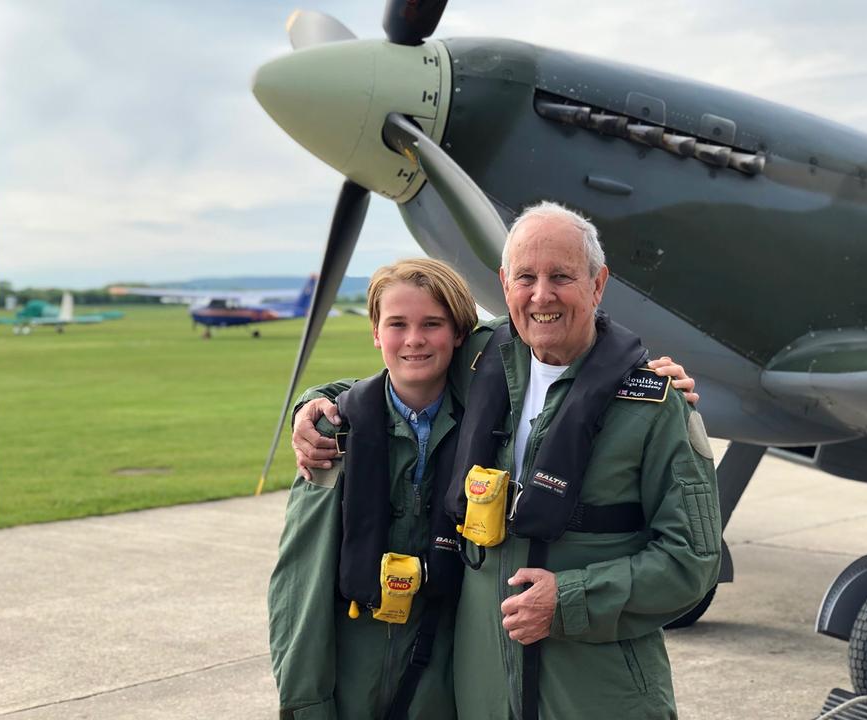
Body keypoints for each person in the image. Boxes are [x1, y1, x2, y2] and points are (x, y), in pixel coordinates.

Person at [292, 202, 720, 720]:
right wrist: (315, 402)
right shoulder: (477, 364)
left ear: (598, 283)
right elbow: (402, 370)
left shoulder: (653, 404)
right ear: (504, 282)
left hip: (599, 697)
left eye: (561, 276)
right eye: (526, 277)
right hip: (482, 694)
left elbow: (692, 561)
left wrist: (569, 599)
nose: (542, 295)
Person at [268, 258, 478, 720]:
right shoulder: (335, 432)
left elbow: (543, 339)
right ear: (376, 332)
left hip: (443, 675)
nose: (414, 339)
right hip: (350, 671)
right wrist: (306, 703)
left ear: (460, 333)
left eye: (432, 324)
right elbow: (300, 583)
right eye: (397, 324)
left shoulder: (488, 428)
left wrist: (642, 372)